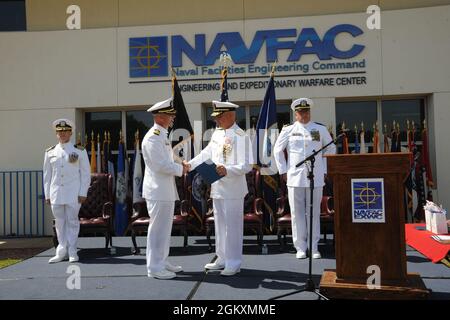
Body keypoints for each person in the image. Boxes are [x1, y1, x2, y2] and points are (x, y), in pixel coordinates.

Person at [185, 100, 252, 276]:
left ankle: (234, 262)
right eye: (216, 117)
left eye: (220, 117)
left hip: (233, 189)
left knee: (233, 227)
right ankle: (221, 258)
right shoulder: (217, 133)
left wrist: (227, 170)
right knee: (220, 226)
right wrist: (189, 165)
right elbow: (206, 154)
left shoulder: (241, 135)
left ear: (231, 115)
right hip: (217, 187)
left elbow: (247, 165)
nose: (217, 121)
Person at [274, 98, 336, 259]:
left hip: (315, 176)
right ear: (295, 114)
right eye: (301, 112)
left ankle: (314, 247)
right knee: (297, 213)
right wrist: (283, 170)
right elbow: (277, 150)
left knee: (314, 212)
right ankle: (300, 247)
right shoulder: (288, 130)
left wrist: (324, 168)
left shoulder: (319, 129)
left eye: (307, 111)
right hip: (295, 177)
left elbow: (331, 148)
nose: (305, 114)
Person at [142, 97, 190, 280]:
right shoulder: (153, 138)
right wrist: (181, 169)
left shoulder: (162, 135)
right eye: (170, 116)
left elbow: (167, 160)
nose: (172, 120)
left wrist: (180, 162)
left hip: (165, 189)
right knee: (157, 229)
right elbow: (160, 165)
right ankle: (154, 267)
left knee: (164, 228)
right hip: (157, 190)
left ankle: (162, 260)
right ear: (161, 117)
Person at [43, 119, 90, 263]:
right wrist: (47, 194)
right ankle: (61, 251)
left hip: (73, 193)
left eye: (65, 131)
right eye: (60, 131)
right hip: (56, 193)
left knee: (72, 221)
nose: (62, 134)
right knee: (59, 222)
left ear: (70, 133)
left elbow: (85, 173)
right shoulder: (50, 152)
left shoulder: (79, 151)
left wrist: (83, 192)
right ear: (56, 134)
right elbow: (47, 175)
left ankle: (72, 251)